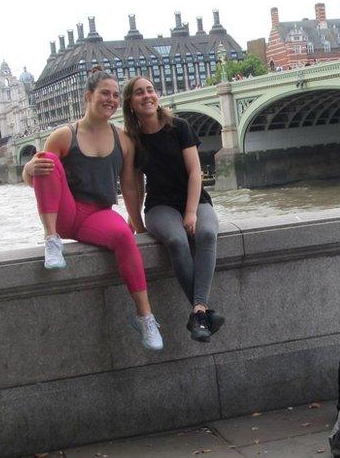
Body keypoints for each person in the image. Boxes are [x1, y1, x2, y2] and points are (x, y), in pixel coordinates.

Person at [22, 68, 164, 351]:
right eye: (104, 94)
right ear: (89, 96)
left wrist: (138, 224)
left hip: (98, 214)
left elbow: (130, 187)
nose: (111, 100)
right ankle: (51, 240)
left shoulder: (124, 140)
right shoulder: (64, 135)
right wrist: (27, 169)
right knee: (47, 159)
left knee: (124, 236)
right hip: (65, 213)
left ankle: (145, 317)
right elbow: (39, 178)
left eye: (114, 95)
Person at [121, 75, 225, 342]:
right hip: (160, 206)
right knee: (177, 240)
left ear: (157, 95)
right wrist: (138, 224)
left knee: (206, 234)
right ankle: (202, 313)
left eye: (151, 90)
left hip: (195, 198)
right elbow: (134, 186)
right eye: (139, 93)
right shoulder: (132, 139)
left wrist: (191, 212)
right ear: (130, 103)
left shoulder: (179, 127)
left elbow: (195, 172)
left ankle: (198, 312)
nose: (147, 96)